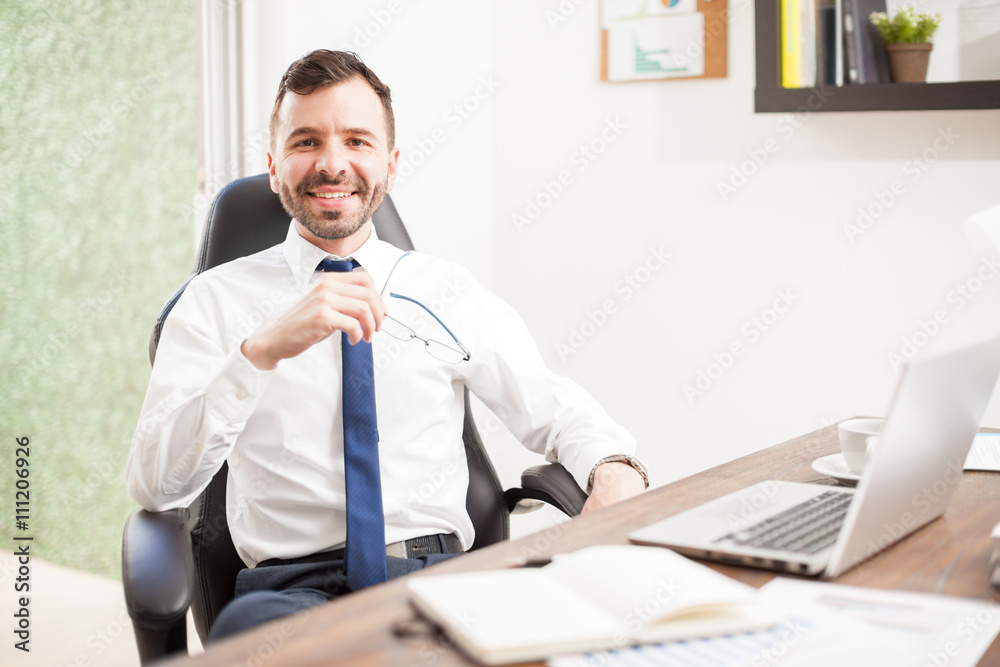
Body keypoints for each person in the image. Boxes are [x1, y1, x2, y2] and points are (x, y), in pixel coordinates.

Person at [126, 49, 647, 639]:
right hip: (290, 593)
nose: (332, 163)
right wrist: (260, 352)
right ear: (274, 167)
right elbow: (154, 484)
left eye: (356, 140)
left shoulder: (446, 291)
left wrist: (614, 466)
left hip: (444, 577)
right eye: (305, 142)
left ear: (390, 164)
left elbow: (554, 408)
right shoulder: (213, 301)